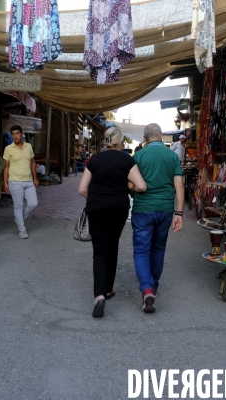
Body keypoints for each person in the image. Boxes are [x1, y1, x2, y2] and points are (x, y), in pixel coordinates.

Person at [78, 127, 146, 318]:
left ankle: (99, 296)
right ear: (120, 143)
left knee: (99, 251)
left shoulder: (95, 160)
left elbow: (82, 189)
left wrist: (97, 197)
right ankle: (108, 289)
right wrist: (127, 186)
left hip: (97, 208)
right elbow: (141, 186)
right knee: (112, 245)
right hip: (118, 208)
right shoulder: (126, 160)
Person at [131, 123, 184, 313]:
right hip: (165, 209)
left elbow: (131, 183)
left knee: (141, 250)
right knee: (158, 249)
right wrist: (179, 213)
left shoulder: (138, 156)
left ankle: (147, 289)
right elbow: (179, 186)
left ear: (145, 138)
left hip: (143, 209)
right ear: (161, 136)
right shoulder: (172, 156)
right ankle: (154, 286)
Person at [3, 125, 39, 239]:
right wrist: (5, 183)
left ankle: (19, 219)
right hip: (15, 181)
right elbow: (6, 167)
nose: (15, 136)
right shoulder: (8, 148)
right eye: (13, 134)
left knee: (33, 203)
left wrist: (35, 178)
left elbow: (33, 163)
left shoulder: (28, 146)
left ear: (22, 134)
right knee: (18, 206)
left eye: (17, 133)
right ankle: (22, 230)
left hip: (28, 181)